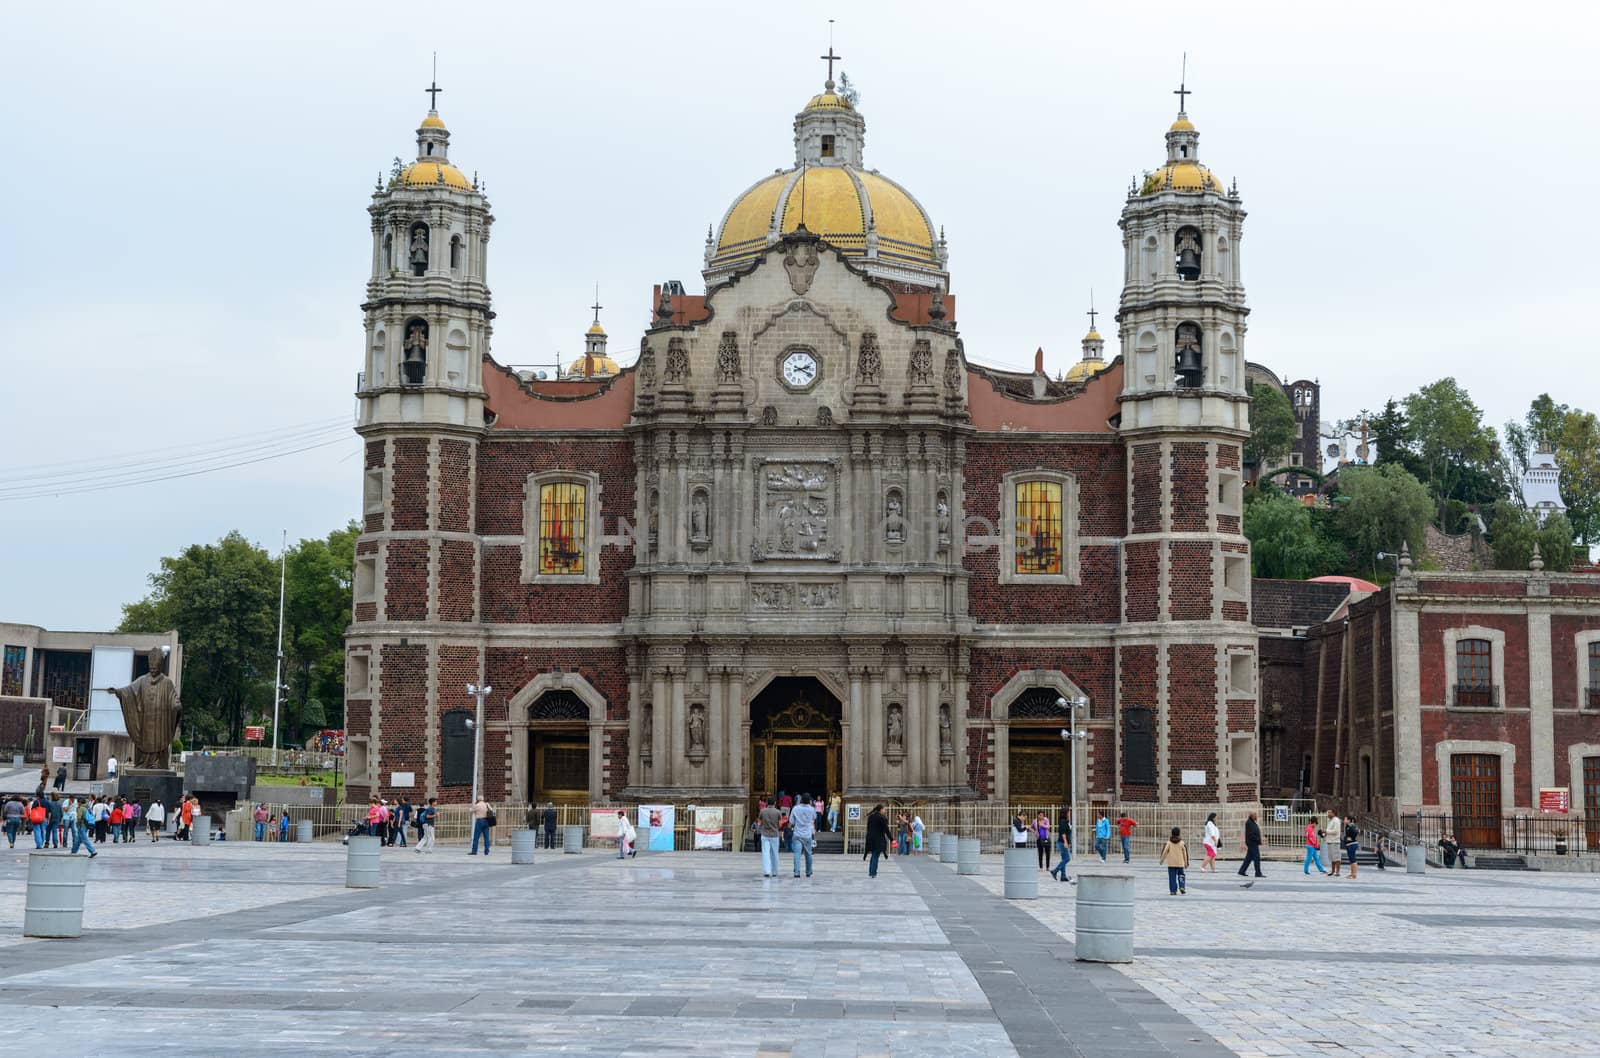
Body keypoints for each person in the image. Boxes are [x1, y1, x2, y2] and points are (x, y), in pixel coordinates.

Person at [790, 793, 818, 878]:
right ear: (809, 801)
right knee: (808, 854)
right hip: (807, 834)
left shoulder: (795, 808)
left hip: (797, 834)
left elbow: (791, 821)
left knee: (797, 854)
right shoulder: (812, 809)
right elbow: (814, 818)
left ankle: (797, 872)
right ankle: (808, 871)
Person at [1158, 826, 1190, 894]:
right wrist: (1186, 863)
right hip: (1180, 863)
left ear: (1171, 833)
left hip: (1171, 864)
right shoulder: (1182, 843)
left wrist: (1161, 861)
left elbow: (1164, 852)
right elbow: (1185, 853)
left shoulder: (1169, 843)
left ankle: (1173, 891)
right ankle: (1182, 886)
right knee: (1181, 874)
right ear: (1179, 834)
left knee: (1172, 878)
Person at [756, 798, 782, 877]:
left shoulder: (762, 811)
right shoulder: (778, 812)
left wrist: (762, 826)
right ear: (774, 802)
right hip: (774, 835)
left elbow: (759, 823)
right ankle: (774, 872)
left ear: (767, 803)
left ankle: (767, 871)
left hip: (765, 834)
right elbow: (780, 824)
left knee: (766, 853)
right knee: (775, 854)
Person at [864, 804, 890, 878]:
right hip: (878, 840)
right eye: (884, 809)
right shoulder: (881, 817)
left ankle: (871, 872)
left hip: (870, 839)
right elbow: (886, 829)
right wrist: (892, 839)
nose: (885, 811)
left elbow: (868, 828)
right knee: (875, 856)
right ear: (880, 810)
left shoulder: (871, 817)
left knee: (873, 855)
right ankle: (873, 873)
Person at [1237, 811, 1265, 880]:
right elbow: (1251, 834)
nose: (1256, 816)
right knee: (1256, 858)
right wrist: (1258, 839)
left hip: (1253, 843)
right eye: (1255, 815)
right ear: (1252, 816)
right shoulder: (1249, 823)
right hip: (1252, 843)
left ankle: (1241, 871)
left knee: (1248, 858)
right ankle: (1258, 873)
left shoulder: (1252, 822)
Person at [1049, 814, 1072, 883]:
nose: (1069, 813)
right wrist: (1065, 842)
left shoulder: (1066, 821)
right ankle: (1055, 871)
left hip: (1064, 842)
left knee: (1064, 859)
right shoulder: (1063, 821)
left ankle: (1063, 876)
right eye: (1068, 812)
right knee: (1067, 859)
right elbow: (1063, 833)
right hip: (1062, 843)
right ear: (1064, 812)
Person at [1324, 810, 1343, 877]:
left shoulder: (1336, 820)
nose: (1328, 814)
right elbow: (1329, 831)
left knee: (1336, 857)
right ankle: (1332, 870)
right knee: (1332, 857)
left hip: (1335, 841)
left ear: (1333, 813)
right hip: (1330, 841)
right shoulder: (1330, 821)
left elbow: (1335, 831)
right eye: (1327, 812)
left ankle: (1337, 871)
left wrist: (1326, 831)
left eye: (1329, 812)